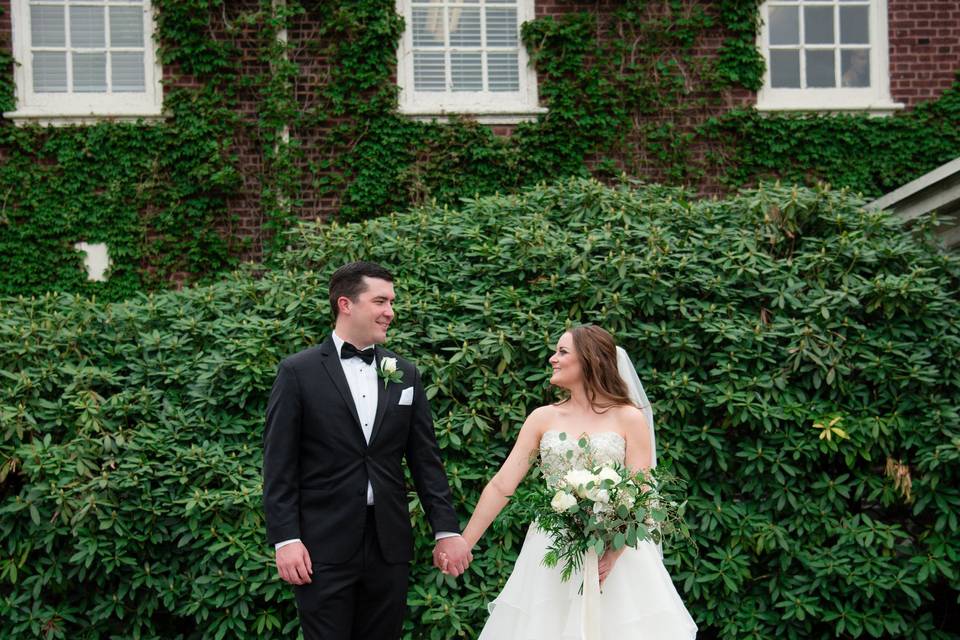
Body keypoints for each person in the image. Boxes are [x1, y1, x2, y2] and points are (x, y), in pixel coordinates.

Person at [262, 261, 473, 640]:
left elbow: (426, 460)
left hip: (388, 544)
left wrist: (445, 530)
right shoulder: (297, 372)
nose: (390, 311)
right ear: (346, 304)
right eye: (381, 301)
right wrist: (286, 539)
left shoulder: (405, 373)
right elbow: (279, 465)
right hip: (321, 545)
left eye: (391, 302)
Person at [452, 325, 698, 639]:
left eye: (562, 352)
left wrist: (613, 555)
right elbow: (502, 485)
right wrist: (465, 543)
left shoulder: (629, 417)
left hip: (616, 549)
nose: (553, 358)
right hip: (553, 547)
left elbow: (643, 492)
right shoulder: (542, 418)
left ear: (590, 359)